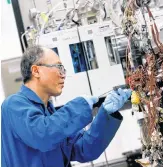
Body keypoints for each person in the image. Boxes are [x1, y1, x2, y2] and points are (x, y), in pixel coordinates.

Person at [1, 45, 132, 167]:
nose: (63, 74)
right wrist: (80, 105)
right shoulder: (13, 105)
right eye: (58, 67)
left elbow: (85, 149)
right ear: (36, 71)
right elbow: (43, 135)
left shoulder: (51, 114)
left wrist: (106, 114)